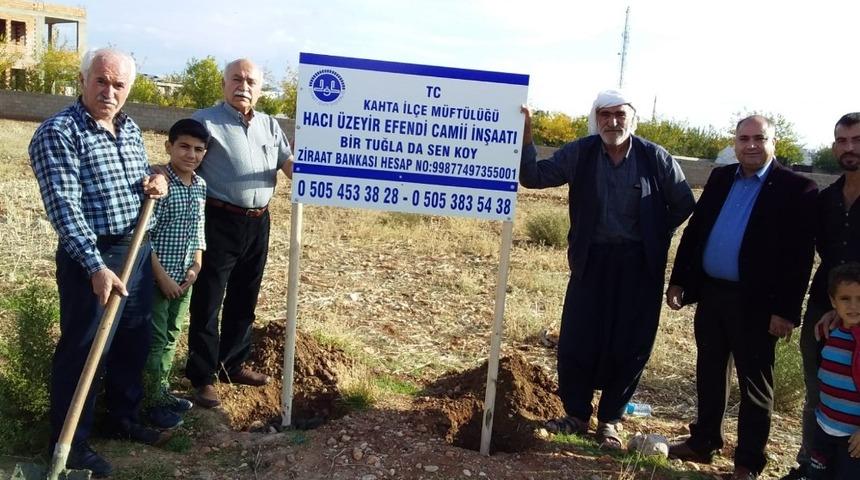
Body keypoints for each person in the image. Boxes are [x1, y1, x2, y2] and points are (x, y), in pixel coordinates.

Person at [518, 90, 695, 448]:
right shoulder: (581, 151)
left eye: (620, 115)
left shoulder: (654, 156)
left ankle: (610, 420)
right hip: (591, 262)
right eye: (605, 115)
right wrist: (526, 138)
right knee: (577, 340)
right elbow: (534, 177)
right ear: (595, 118)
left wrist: (654, 233)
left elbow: (683, 202)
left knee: (630, 344)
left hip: (638, 265)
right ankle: (577, 415)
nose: (612, 122)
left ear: (632, 118)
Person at [29, 48, 168, 478]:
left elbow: (138, 181)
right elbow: (64, 208)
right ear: (83, 79)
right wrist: (93, 265)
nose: (109, 92)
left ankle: (121, 418)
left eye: (118, 85)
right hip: (92, 256)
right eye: (101, 81)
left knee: (133, 338)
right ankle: (70, 444)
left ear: (129, 89)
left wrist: (155, 181)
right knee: (85, 350)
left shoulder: (128, 128)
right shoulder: (59, 133)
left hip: (135, 249)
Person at [666, 115, 818, 480]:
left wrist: (785, 311)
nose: (750, 144)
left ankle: (748, 463)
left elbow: (800, 257)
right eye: (743, 138)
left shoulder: (797, 188)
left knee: (755, 385)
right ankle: (703, 441)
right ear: (734, 142)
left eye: (759, 138)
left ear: (773, 142)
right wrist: (679, 280)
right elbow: (696, 231)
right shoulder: (721, 178)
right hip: (713, 294)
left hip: (759, 304)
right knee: (709, 371)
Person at [186, 58, 293, 408]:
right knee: (208, 300)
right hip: (218, 220)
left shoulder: (269, 125)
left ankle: (232, 364)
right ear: (223, 84)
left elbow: (288, 166)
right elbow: (182, 161)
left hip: (258, 222)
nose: (243, 86)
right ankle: (202, 377)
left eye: (250, 81)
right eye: (236, 79)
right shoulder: (205, 122)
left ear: (261, 89)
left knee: (245, 297)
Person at [781, 112, 860, 480]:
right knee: (821, 389)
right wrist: (829, 308)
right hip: (822, 307)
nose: (850, 148)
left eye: (857, 140)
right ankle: (810, 465)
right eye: (843, 141)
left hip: (857, 313)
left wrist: (848, 314)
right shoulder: (826, 198)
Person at [142, 119, 210, 429]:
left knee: (171, 336)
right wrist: (162, 278)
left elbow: (198, 230)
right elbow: (146, 235)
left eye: (198, 149)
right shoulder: (158, 182)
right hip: (159, 278)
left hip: (185, 278)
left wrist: (196, 267)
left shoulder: (199, 185)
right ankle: (150, 398)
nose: (191, 154)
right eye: (184, 146)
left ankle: (163, 390)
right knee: (155, 339)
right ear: (169, 147)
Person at [802, 263, 860, 480]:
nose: (854, 306)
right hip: (825, 428)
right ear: (833, 301)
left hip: (853, 440)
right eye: (845, 298)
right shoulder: (831, 332)